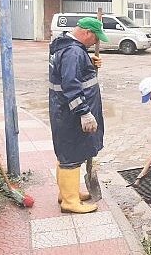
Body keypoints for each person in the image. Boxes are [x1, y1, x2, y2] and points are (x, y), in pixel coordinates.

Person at [49, 17, 108, 214]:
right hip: (70, 113)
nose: (96, 42)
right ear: (86, 33)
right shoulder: (73, 52)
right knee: (71, 155)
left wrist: (88, 62)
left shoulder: (68, 47)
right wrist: (84, 112)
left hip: (63, 111)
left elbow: (69, 73)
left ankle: (67, 192)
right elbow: (71, 85)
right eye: (96, 38)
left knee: (66, 153)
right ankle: (70, 201)